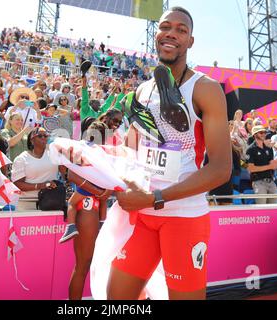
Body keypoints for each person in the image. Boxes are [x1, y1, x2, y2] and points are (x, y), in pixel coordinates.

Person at [104, 7, 231, 300]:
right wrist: (98, 170)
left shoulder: (205, 89)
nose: (171, 33)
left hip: (183, 216)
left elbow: (221, 169)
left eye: (181, 29)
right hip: (142, 214)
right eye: (165, 27)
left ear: (190, 41)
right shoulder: (141, 92)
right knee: (116, 298)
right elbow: (132, 152)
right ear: (157, 35)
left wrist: (154, 198)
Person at [59, 122, 111, 243]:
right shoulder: (105, 151)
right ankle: (102, 223)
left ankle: (71, 227)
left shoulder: (83, 149)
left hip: (86, 185)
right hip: (102, 184)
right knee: (104, 200)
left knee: (71, 202)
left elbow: (73, 172)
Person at [11, 127, 59, 211]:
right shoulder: (21, 158)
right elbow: (17, 184)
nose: (44, 138)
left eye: (45, 135)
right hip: (28, 204)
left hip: (51, 202)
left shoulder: (54, 155)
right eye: (40, 136)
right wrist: (41, 185)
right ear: (32, 140)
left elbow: (64, 172)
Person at [246, 125, 277, 204]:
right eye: (261, 132)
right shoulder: (250, 149)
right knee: (261, 208)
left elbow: (273, 165)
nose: (264, 134)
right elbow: (251, 169)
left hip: (271, 181)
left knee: (275, 208)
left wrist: (275, 164)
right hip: (258, 182)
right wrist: (270, 166)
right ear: (255, 135)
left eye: (264, 132)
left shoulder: (268, 148)